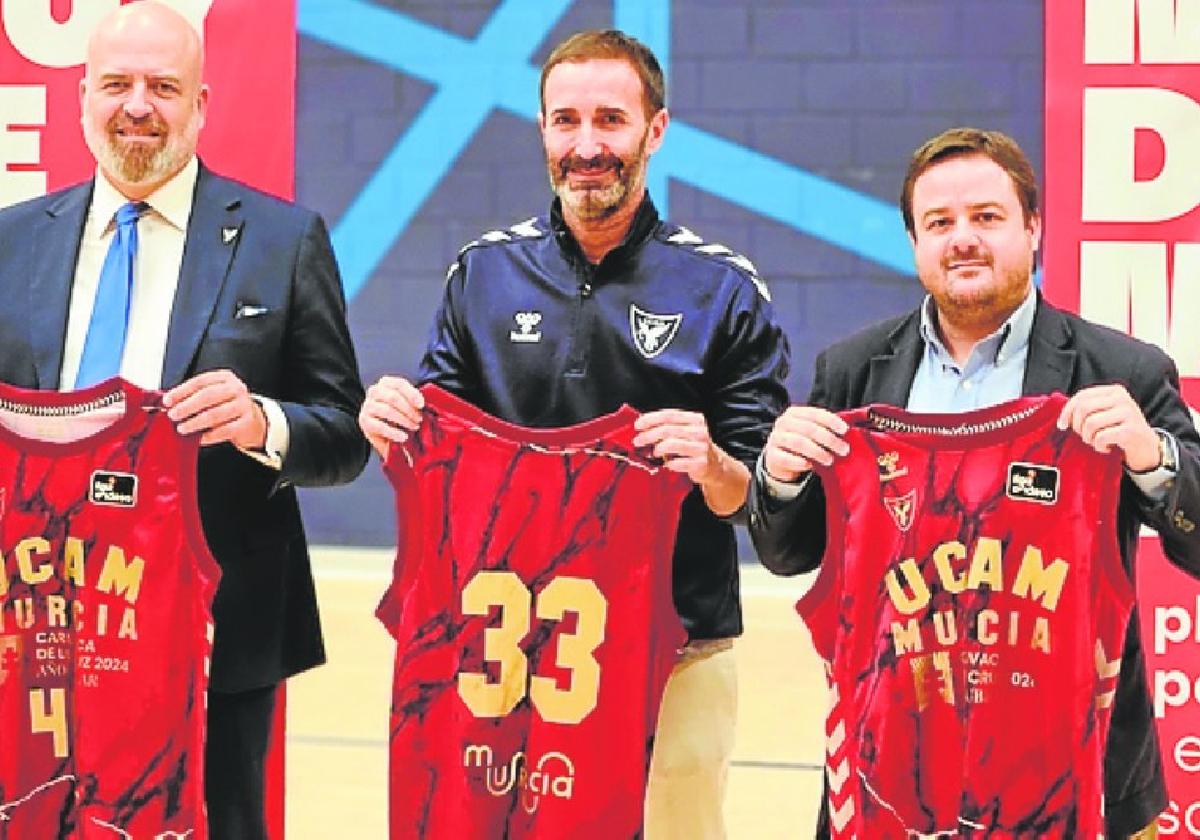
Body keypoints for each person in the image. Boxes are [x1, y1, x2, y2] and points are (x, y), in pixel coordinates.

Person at [358, 29, 789, 839]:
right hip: (502, 645)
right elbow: (436, 439)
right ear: (542, 130)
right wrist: (393, 423)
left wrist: (713, 463)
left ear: (655, 131)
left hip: (678, 649)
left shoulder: (724, 289)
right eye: (566, 121)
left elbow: (765, 502)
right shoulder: (481, 272)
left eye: (611, 121)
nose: (587, 146)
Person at [748, 126, 1200, 839]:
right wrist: (775, 480)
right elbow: (792, 555)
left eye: (987, 217)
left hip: (1075, 775)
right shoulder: (853, 371)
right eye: (940, 223)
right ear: (915, 242)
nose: (963, 239)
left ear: (1033, 227)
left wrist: (1153, 458)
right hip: (893, 774)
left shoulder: (1121, 371)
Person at [0, 3, 369, 837]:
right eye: (117, 85)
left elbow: (345, 437)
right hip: (33, 616)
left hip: (216, 623)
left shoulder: (283, 239)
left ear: (201, 105)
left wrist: (262, 421)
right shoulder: (11, 242)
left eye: (165, 87)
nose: (139, 106)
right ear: (81, 100)